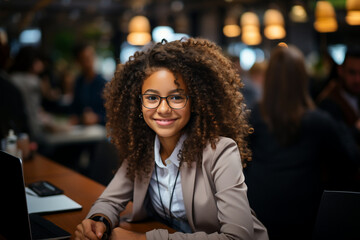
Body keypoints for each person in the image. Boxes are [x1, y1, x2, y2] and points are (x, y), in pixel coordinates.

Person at [74, 38, 268, 240]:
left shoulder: (220, 151)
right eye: (151, 98)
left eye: (176, 97)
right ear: (138, 104)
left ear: (195, 102)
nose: (163, 109)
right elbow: (110, 200)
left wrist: (144, 239)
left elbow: (237, 237)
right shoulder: (143, 149)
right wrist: (98, 222)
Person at [244, 45, 359, 240]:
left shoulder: (251, 118)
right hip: (305, 217)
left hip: (256, 214)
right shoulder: (318, 121)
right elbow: (351, 157)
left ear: (269, 78)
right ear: (302, 79)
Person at [316, 47, 360, 190]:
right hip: (342, 188)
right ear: (341, 71)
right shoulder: (328, 103)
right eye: (352, 73)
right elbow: (339, 152)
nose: (357, 79)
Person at [70, 43, 107, 126]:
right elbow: (74, 108)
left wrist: (97, 118)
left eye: (90, 57)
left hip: (100, 132)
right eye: (84, 59)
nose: (88, 62)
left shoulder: (103, 83)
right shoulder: (78, 82)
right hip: (81, 130)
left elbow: (112, 114)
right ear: (78, 62)